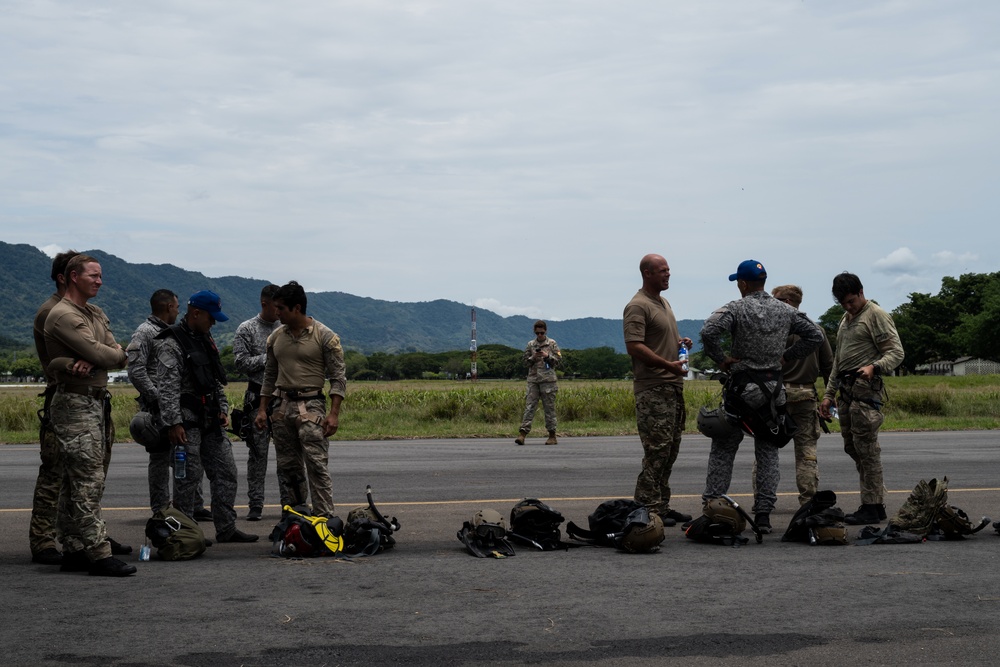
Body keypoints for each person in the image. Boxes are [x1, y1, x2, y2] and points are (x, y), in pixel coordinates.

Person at [700, 260, 823, 533]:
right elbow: (815, 335)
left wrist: (722, 359)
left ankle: (713, 505)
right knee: (768, 452)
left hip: (740, 391)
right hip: (772, 392)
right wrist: (785, 357)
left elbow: (708, 331)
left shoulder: (735, 308)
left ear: (743, 284)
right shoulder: (785, 310)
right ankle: (764, 515)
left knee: (723, 448)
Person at [42, 254, 134, 576]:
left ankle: (73, 548)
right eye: (93, 276)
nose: (99, 281)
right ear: (71, 277)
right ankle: (98, 553)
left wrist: (106, 357)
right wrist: (104, 356)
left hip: (95, 402)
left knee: (74, 481)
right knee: (87, 482)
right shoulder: (63, 315)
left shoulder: (94, 313)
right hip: (75, 404)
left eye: (100, 276)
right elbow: (103, 352)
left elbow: (117, 355)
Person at [155, 290, 258, 543]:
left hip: (211, 420)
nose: (213, 322)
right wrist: (174, 423)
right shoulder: (172, 343)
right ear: (195, 313)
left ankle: (226, 528)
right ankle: (187, 535)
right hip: (186, 422)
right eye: (211, 317)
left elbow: (215, 381)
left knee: (226, 473)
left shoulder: (205, 339)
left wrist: (222, 408)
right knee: (187, 480)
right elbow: (167, 388)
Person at [255, 281, 347, 519]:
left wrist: (333, 414)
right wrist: (262, 409)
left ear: (297, 308)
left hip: (312, 405)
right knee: (288, 468)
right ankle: (295, 517)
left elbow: (338, 378)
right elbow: (269, 376)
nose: (276, 313)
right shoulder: (275, 338)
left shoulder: (326, 336)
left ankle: (324, 519)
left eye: (281, 308)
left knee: (316, 465)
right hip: (281, 408)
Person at [819, 272, 904, 525]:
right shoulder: (845, 320)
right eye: (843, 303)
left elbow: (896, 352)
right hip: (845, 391)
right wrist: (828, 394)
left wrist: (874, 367)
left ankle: (872, 504)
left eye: (851, 301)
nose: (848, 306)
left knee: (867, 449)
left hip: (865, 391)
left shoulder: (875, 315)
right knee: (852, 447)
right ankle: (874, 501)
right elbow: (837, 362)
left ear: (861, 292)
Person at [126, 289, 210, 519]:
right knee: (161, 459)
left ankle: (194, 505)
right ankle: (161, 509)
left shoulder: (174, 333)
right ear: (167, 308)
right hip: (156, 408)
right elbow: (135, 369)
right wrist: (157, 397)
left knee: (187, 455)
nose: (178, 310)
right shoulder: (145, 332)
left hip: (178, 406)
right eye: (176, 306)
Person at [623, 254, 693, 527]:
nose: (668, 275)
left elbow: (657, 339)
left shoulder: (663, 302)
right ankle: (645, 508)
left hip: (671, 386)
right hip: (653, 388)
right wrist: (668, 365)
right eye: (662, 271)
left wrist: (678, 342)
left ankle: (661, 505)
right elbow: (635, 346)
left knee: (670, 450)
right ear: (647, 273)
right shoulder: (637, 306)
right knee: (656, 451)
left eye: (669, 271)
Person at [751, 285, 834, 506]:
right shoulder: (816, 330)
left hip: (772, 395)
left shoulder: (771, 330)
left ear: (787, 303)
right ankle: (808, 502)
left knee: (766, 451)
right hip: (805, 394)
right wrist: (830, 397)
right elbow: (828, 367)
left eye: (776, 299)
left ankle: (762, 500)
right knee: (806, 452)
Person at [29, 250, 79, 565]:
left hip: (81, 399)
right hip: (62, 397)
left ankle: (83, 532)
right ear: (63, 278)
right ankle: (43, 539)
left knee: (84, 476)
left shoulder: (75, 310)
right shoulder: (53, 312)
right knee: (54, 474)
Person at [233, 284, 287, 521]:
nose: (279, 311)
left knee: (287, 454)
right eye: (276, 307)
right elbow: (240, 362)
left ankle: (290, 503)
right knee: (258, 454)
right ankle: (256, 504)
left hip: (283, 398)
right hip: (256, 399)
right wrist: (270, 357)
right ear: (264, 304)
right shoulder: (247, 328)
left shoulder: (285, 326)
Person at [514, 320, 562, 446]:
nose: (540, 335)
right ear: (534, 332)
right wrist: (533, 357)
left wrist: (547, 356)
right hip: (533, 381)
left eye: (541, 332)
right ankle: (522, 434)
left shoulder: (552, 344)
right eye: (537, 332)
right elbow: (525, 362)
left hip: (548, 381)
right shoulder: (530, 345)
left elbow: (558, 361)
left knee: (549, 409)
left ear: (545, 331)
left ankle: (552, 435)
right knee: (529, 407)